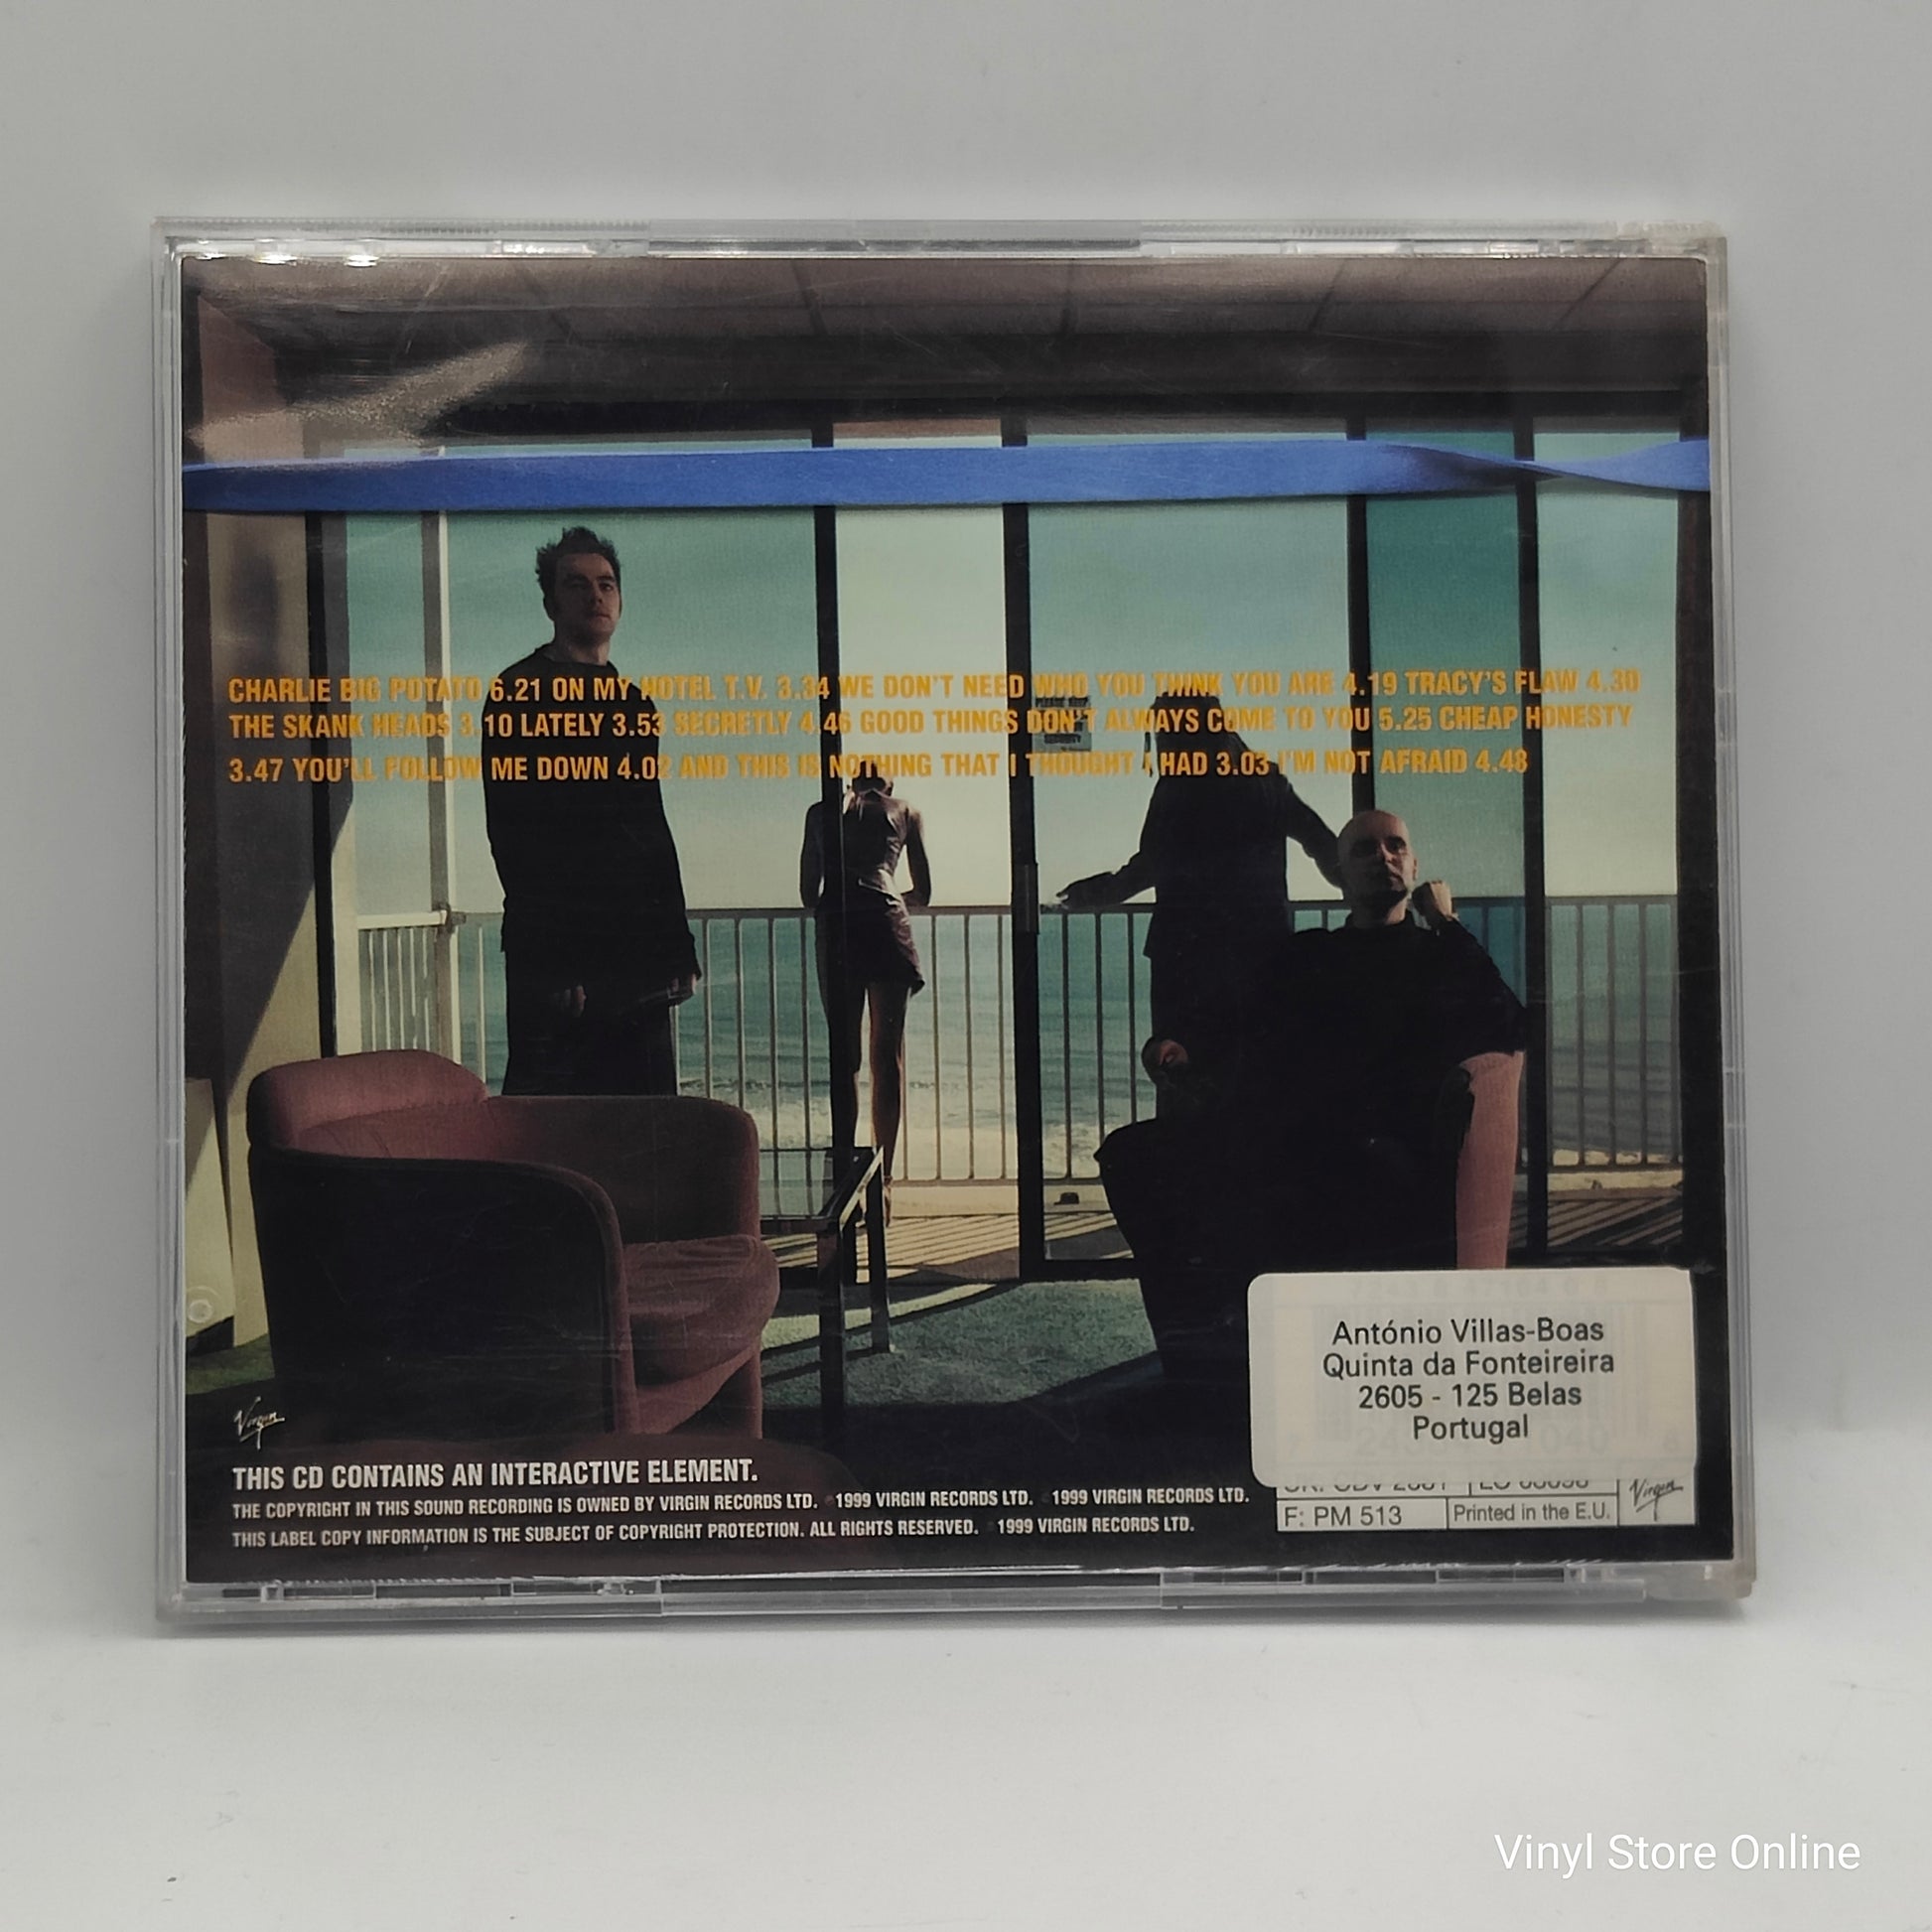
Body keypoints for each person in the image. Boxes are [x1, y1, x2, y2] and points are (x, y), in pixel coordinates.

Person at [1101, 808, 1524, 1384]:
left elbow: (1510, 1024)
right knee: (1132, 1154)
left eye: (1395, 846)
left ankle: (1231, 1349)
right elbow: (1237, 1021)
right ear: (1339, 876)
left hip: (1378, 1149)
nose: (1383, 857)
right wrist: (1179, 1044)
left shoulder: (1438, 956)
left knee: (1304, 1180)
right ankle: (1196, 1360)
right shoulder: (1307, 955)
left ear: (1415, 866)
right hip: (1286, 1140)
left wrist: (1445, 923)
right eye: (1365, 850)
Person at [482, 526, 699, 1095]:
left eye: (606, 584)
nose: (594, 595)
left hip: (636, 951)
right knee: (551, 1127)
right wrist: (552, 958)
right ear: (550, 603)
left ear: (620, 601)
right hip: (559, 960)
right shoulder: (518, 692)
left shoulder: (634, 704)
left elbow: (650, 825)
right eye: (576, 584)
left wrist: (677, 942)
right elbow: (513, 831)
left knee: (646, 1124)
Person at [1058, 694, 1339, 1090]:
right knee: (1255, 1073)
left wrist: (1092, 893)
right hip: (1263, 949)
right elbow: (1319, 840)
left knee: (1182, 1073)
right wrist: (1355, 886)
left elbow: (1150, 864)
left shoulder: (1178, 787)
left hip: (1185, 956)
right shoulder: (1265, 779)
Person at [799, 763, 932, 1199]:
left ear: (850, 782)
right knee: (886, 1058)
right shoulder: (906, 810)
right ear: (888, 785)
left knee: (846, 1058)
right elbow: (923, 891)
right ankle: (884, 1180)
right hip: (887, 922)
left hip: (838, 926)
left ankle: (845, 1176)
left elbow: (808, 891)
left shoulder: (820, 812)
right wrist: (889, 897)